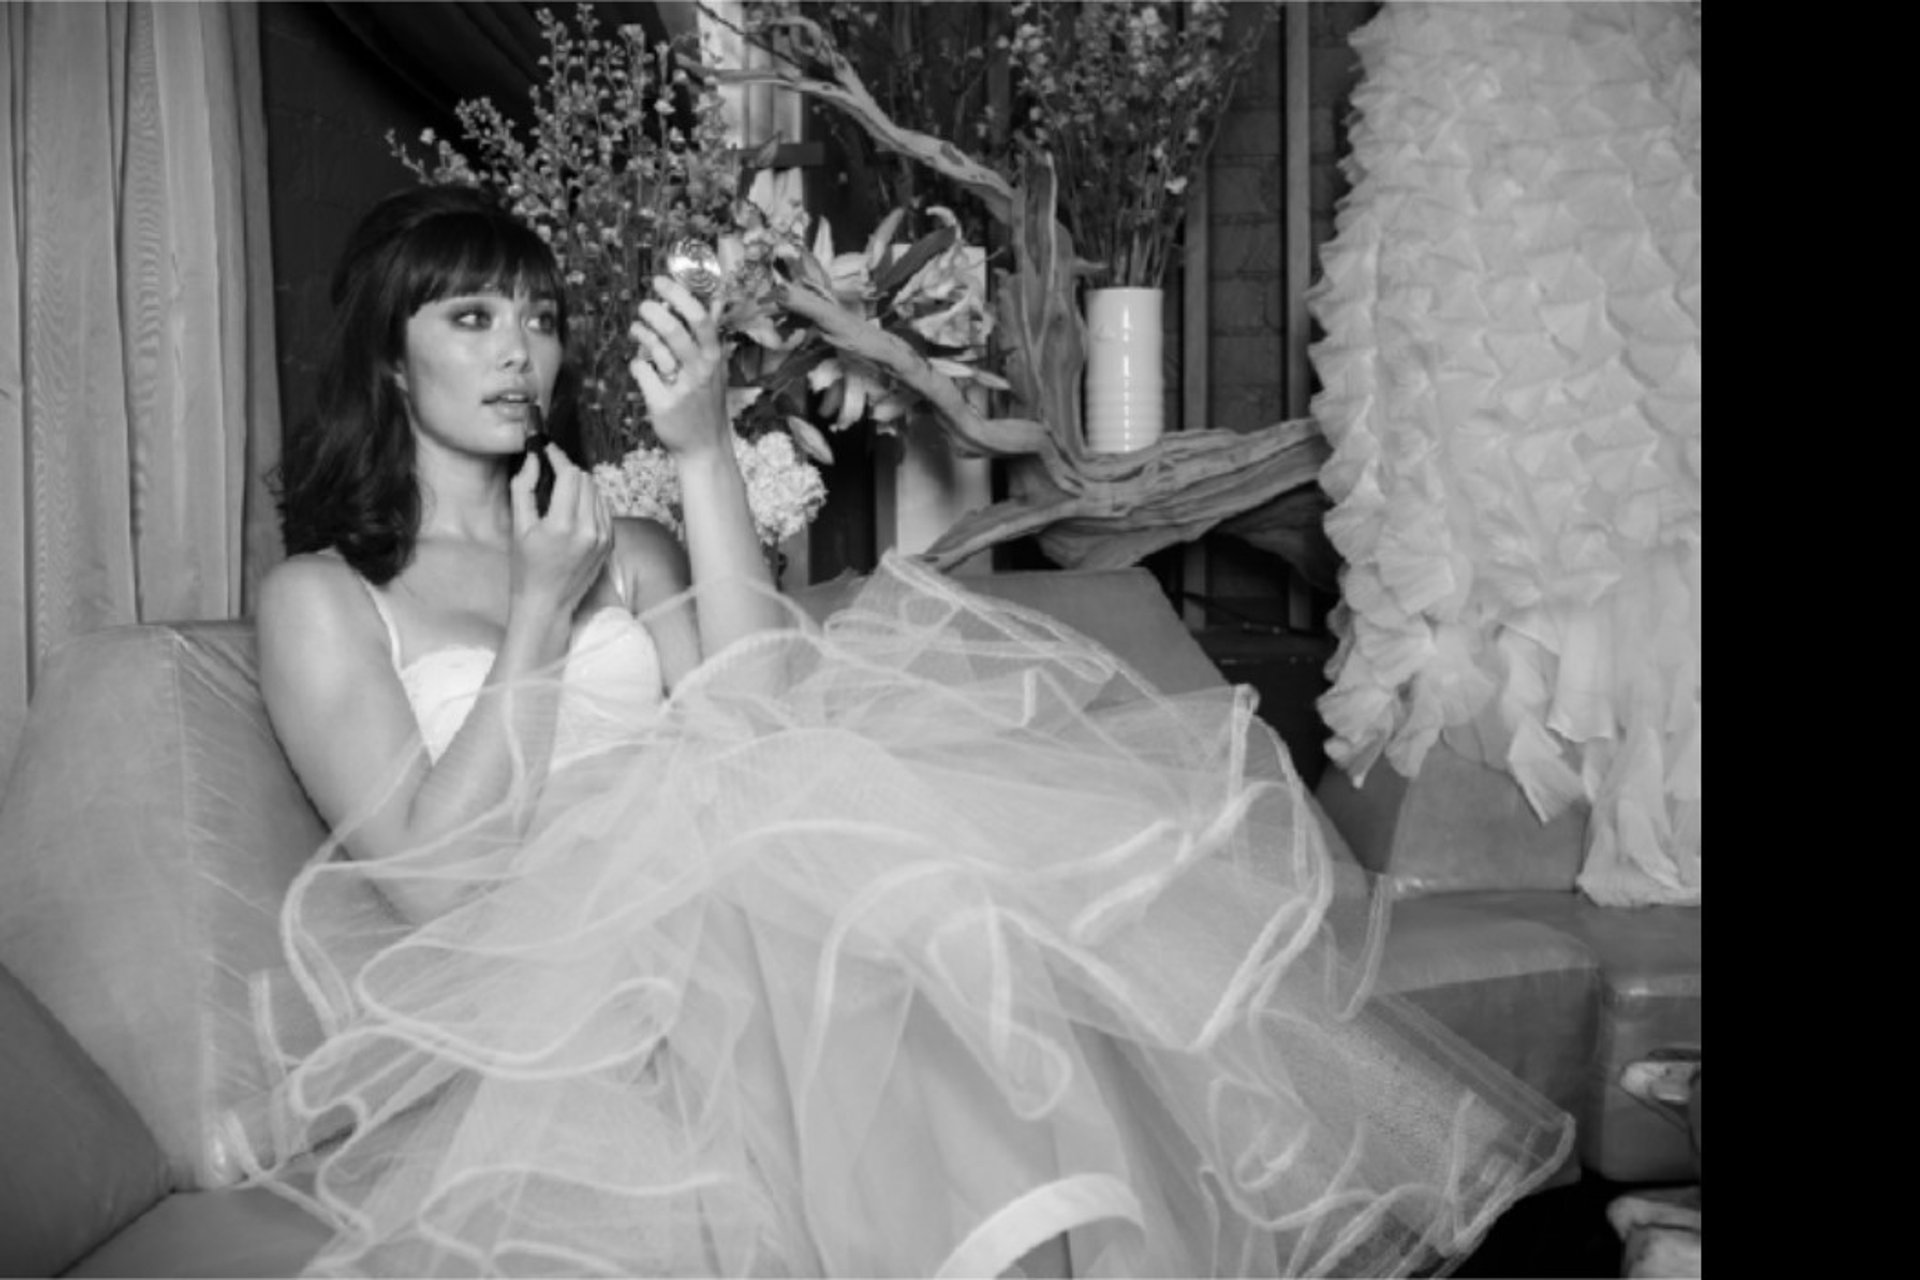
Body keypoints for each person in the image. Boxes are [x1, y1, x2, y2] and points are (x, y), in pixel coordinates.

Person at [247, 184, 1573, 1278]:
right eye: (471, 317)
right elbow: (431, 880)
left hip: (739, 901)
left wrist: (701, 452)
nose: (517, 353)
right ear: (389, 357)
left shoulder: (623, 545)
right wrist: (540, 613)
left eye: (539, 320)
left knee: (871, 878)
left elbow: (761, 715)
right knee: (817, 896)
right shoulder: (327, 596)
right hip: (559, 976)